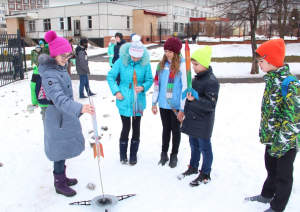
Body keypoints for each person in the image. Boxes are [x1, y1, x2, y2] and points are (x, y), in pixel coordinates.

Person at [244, 39, 299, 212]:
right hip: (272, 137)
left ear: (272, 60)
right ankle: (267, 194)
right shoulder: (271, 80)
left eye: (261, 60)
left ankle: (278, 206)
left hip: (285, 141)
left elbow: (294, 118)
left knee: (284, 175)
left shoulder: (290, 83)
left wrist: (281, 143)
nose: (258, 64)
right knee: (271, 168)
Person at [38, 30, 95, 197]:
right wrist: (79, 108)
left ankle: (62, 177)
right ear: (54, 54)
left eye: (67, 55)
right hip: (57, 117)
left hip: (63, 116)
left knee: (62, 150)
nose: (65, 59)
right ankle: (59, 183)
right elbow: (59, 99)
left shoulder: (59, 68)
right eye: (62, 55)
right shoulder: (49, 74)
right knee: (58, 151)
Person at [107, 35, 153, 165]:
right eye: (134, 57)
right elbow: (111, 76)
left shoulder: (145, 63)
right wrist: (116, 91)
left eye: (139, 57)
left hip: (138, 99)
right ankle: (123, 154)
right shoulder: (121, 61)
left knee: (136, 127)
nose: (136, 59)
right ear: (129, 54)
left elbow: (150, 79)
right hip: (124, 98)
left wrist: (143, 86)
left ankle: (133, 154)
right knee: (126, 127)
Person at [178, 46, 220, 187]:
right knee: (193, 145)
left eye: (196, 64)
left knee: (205, 148)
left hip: (203, 122)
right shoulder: (197, 78)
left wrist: (193, 100)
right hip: (193, 119)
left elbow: (211, 105)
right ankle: (193, 167)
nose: (193, 67)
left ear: (205, 63)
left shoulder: (211, 82)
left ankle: (205, 174)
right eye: (192, 64)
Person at [152, 37, 187, 168]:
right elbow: (157, 85)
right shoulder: (161, 66)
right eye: (166, 51)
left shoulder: (182, 65)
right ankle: (164, 153)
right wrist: (154, 102)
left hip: (175, 105)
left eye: (170, 52)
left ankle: (174, 155)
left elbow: (185, 88)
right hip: (163, 104)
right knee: (166, 129)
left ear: (176, 52)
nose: (167, 54)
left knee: (175, 130)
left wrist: (183, 108)